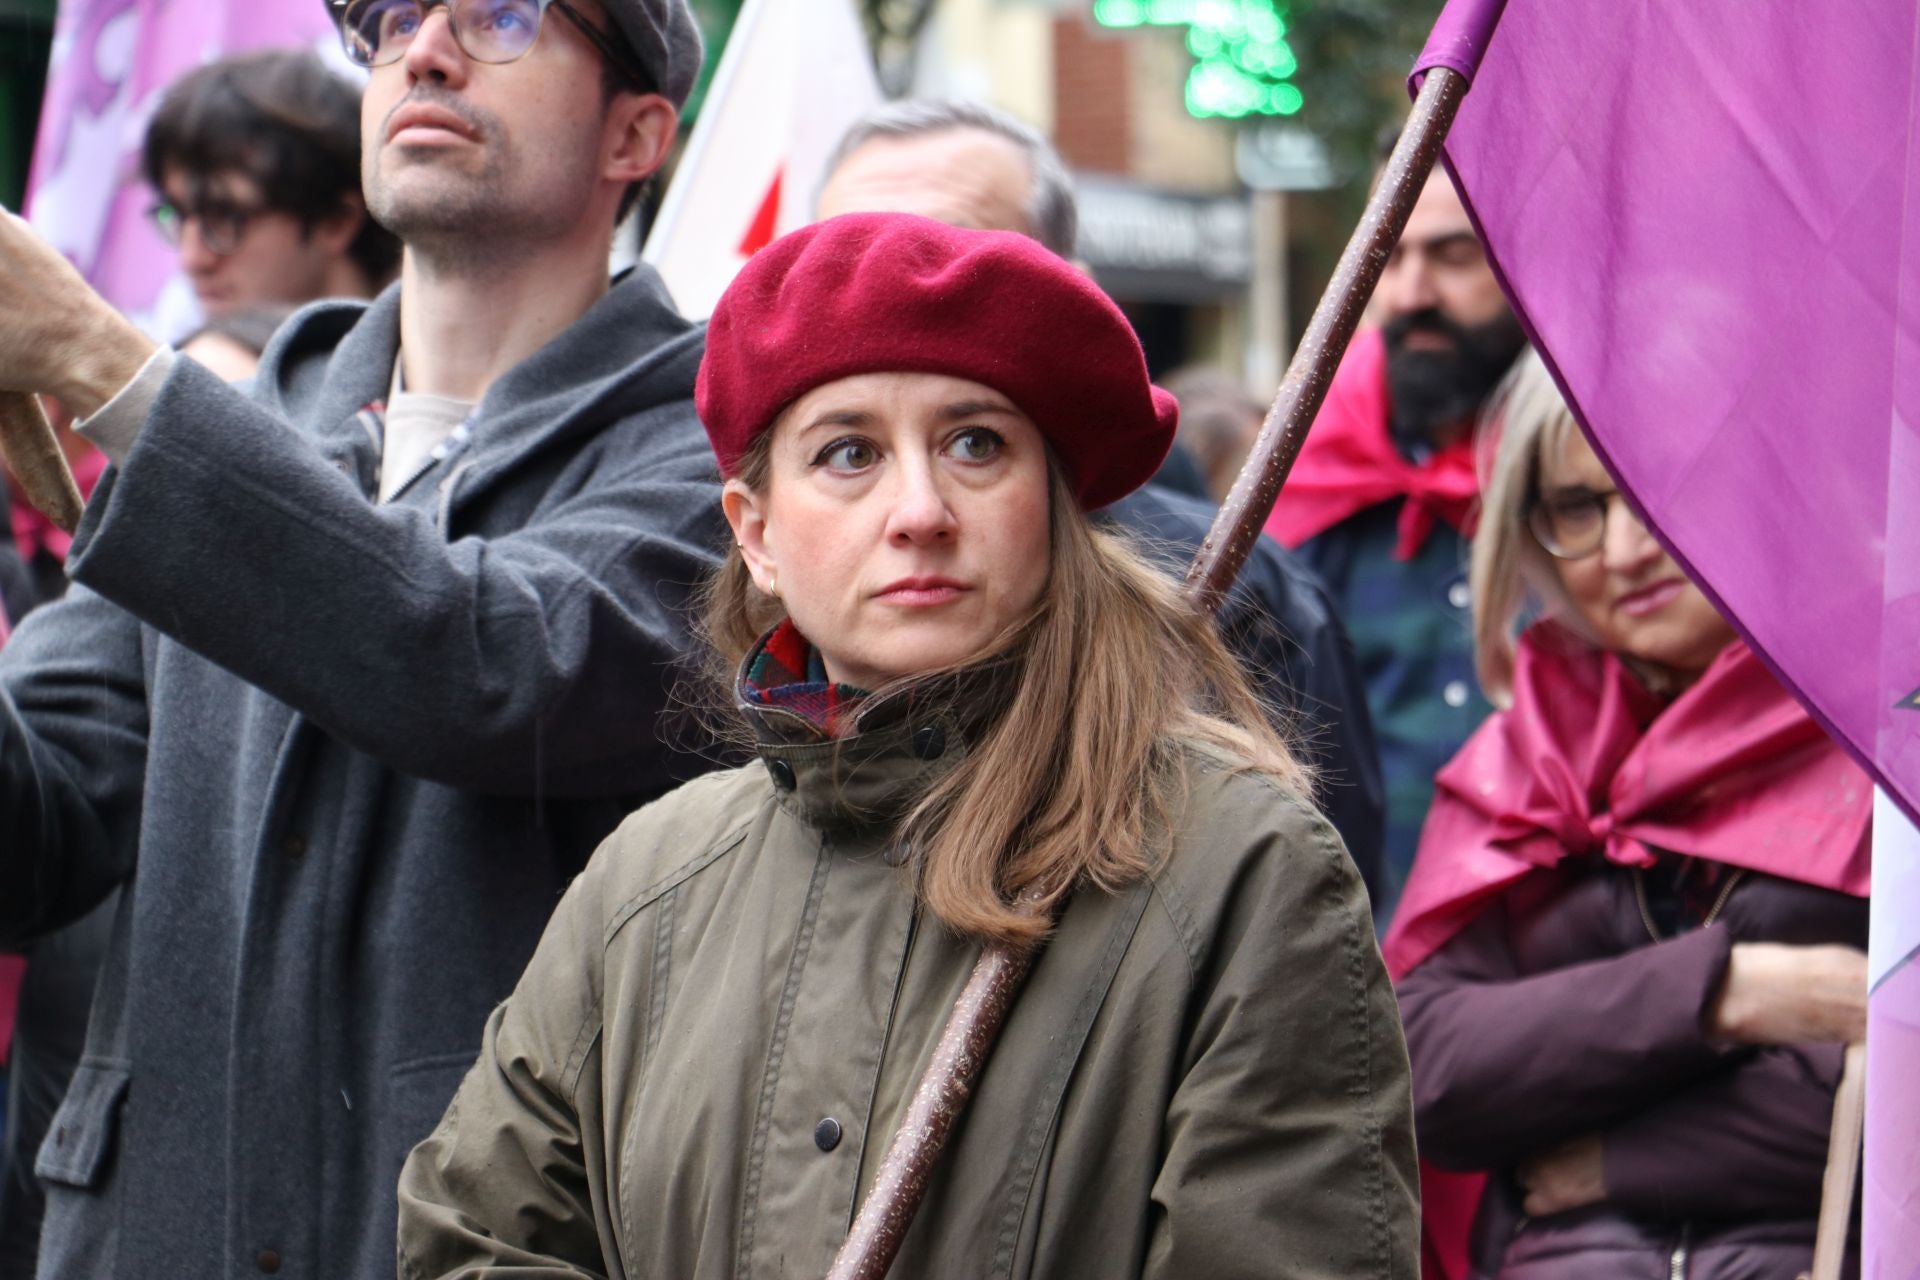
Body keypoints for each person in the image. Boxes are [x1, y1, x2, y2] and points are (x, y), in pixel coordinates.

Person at [396, 212, 1418, 1278]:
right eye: (849, 453)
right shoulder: (645, 884)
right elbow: (473, 1239)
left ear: (1054, 503)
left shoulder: (1246, 872)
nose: (920, 510)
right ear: (756, 532)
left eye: (976, 442)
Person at [0, 0, 715, 1273]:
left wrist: (88, 346)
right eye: (389, 20)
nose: (424, 51)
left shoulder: (718, 457)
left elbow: (481, 664)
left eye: (500, 14)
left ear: (637, 132)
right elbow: (34, 834)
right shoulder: (244, 415)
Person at [818, 96, 1387, 901]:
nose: (898, 302)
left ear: (1071, 295)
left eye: (953, 262)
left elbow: (1324, 920)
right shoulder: (757, 604)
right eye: (843, 262)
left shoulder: (1237, 598)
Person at [1384, 354, 1871, 1279]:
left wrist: (1617, 1157)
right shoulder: (1530, 761)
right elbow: (1424, 1070)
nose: (1621, 552)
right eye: (1578, 507)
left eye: (1660, 488)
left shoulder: (1890, 731)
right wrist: (1735, 992)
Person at [1265, 128, 1529, 921]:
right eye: (1390, 255)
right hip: (1368, 983)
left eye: (1452, 256)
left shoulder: (1626, 502)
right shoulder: (1314, 481)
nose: (1409, 293)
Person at [141, 48, 401, 320]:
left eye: (224, 216)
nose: (192, 260)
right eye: (178, 217)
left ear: (336, 221)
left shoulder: (426, 356)